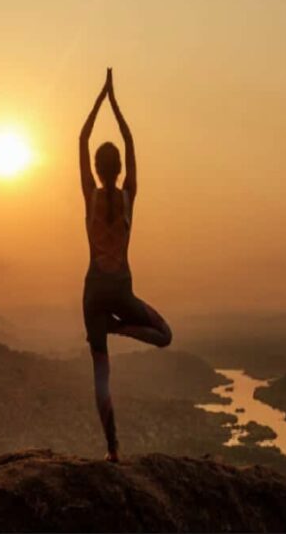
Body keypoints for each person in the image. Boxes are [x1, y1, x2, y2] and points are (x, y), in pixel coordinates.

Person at [79, 67, 172, 462]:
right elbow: (130, 139)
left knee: (102, 379)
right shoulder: (130, 196)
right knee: (164, 334)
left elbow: (81, 138)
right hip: (120, 289)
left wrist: (100, 97)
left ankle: (113, 451)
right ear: (118, 169)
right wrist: (116, 102)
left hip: (93, 292)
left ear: (98, 170)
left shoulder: (91, 197)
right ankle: (120, 330)